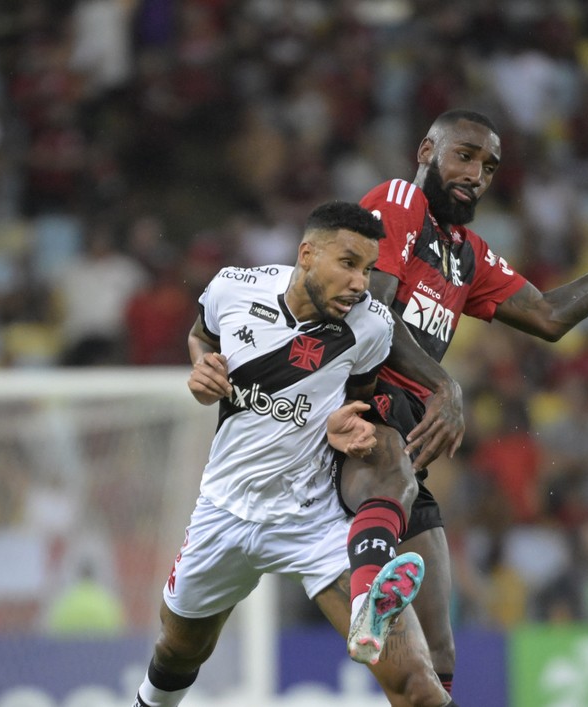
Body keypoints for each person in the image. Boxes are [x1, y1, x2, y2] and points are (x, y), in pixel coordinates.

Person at [339, 109, 588, 693]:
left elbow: (549, 316)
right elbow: (370, 319)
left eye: (490, 166)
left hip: (406, 438)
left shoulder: (466, 252)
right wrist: (446, 385)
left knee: (438, 655)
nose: (477, 174)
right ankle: (367, 591)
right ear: (426, 151)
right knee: (390, 461)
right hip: (355, 406)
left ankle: (378, 598)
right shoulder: (398, 202)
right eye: (464, 156)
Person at [133, 201, 454, 707]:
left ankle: (370, 590)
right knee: (178, 651)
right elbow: (201, 335)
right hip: (225, 511)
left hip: (313, 519)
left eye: (369, 270)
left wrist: (347, 424)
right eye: (348, 264)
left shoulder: (370, 327)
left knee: (416, 684)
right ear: (307, 254)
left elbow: (357, 395)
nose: (360, 283)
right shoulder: (232, 288)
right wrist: (202, 369)